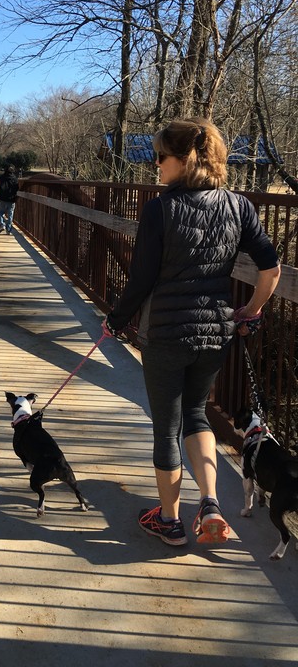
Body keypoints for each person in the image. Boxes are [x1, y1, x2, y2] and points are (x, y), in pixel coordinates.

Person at [102, 118, 280, 547]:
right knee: (197, 415)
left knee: (167, 428)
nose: (156, 166)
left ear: (184, 161)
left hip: (166, 335)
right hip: (215, 333)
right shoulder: (239, 206)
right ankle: (211, 502)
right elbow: (271, 269)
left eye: (161, 157)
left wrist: (115, 319)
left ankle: (169, 520)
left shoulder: (160, 209)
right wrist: (250, 311)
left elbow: (142, 280)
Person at [0, 164, 19, 234]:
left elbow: (0, 185)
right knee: (10, 214)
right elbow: (17, 188)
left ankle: (1, 225)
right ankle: (8, 229)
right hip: (11, 199)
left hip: (3, 198)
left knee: (0, 212)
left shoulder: (2, 177)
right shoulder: (15, 178)